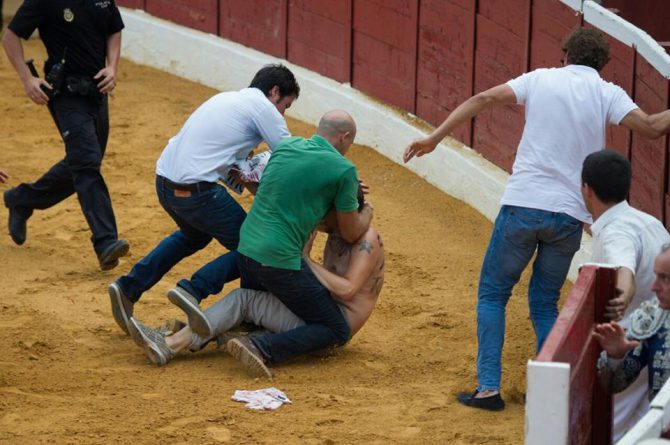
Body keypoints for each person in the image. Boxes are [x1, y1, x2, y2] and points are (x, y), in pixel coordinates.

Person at [403, 27, 670, 411]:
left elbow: (482, 99)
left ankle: (488, 389)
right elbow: (654, 127)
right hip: (570, 214)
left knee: (494, 294)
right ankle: (549, 389)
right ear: (601, 63)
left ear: (565, 55)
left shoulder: (541, 78)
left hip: (524, 203)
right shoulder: (607, 92)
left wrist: (435, 137)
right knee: (545, 303)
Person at [107, 64, 300, 336]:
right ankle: (196, 291)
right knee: (253, 247)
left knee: (194, 236)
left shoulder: (225, 99)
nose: (282, 114)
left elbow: (224, 162)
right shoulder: (263, 107)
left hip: (164, 183)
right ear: (275, 91)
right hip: (196, 192)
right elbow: (291, 153)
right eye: (285, 106)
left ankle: (128, 288)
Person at [194, 109, 372, 376]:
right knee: (335, 330)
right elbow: (349, 232)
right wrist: (366, 212)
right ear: (345, 137)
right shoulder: (344, 169)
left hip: (245, 251)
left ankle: (189, 331)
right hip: (279, 262)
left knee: (258, 298)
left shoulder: (286, 145)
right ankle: (261, 346)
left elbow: (275, 187)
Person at [127, 208, 385, 377]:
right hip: (317, 309)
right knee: (246, 295)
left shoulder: (367, 240)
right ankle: (188, 337)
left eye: (325, 216)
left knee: (270, 270)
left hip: (331, 323)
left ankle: (177, 341)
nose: (320, 221)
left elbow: (348, 288)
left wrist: (305, 258)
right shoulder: (340, 230)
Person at [2, 0, 129, 270]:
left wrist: (113, 66)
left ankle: (21, 199)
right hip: (66, 94)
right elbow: (10, 36)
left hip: (97, 90)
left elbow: (114, 28)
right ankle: (105, 241)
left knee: (85, 162)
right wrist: (27, 79)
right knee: (85, 162)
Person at [582, 150, 670, 441]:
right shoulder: (650, 222)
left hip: (632, 340)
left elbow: (624, 268)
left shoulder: (616, 232)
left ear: (586, 189)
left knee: (614, 425)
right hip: (654, 337)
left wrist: (622, 295)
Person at [595, 245, 670, 408]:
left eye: (666, 279)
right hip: (658, 431)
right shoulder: (651, 317)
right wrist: (616, 356)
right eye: (657, 276)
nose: (654, 287)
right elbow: (614, 385)